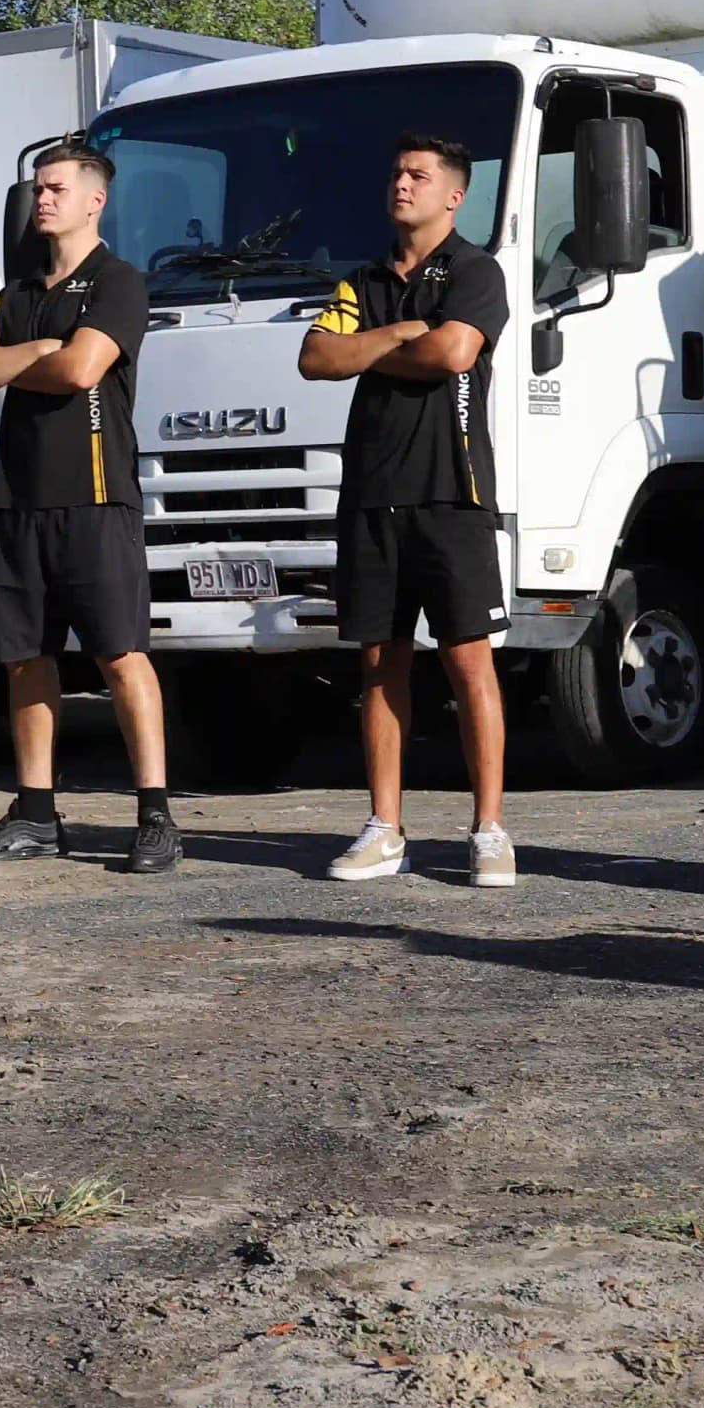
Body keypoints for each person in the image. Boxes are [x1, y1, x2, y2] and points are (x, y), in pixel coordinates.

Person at [0, 140, 175, 873]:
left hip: (96, 499)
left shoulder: (119, 282)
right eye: (37, 189)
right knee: (25, 660)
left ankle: (155, 816)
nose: (41, 200)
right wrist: (37, 350)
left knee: (121, 656)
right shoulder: (16, 295)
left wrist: (32, 360)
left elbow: (82, 368)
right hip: (19, 503)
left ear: (93, 201)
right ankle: (36, 815)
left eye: (55, 189)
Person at [300, 134, 516, 886]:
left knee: (468, 661)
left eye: (418, 175)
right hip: (371, 495)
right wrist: (396, 332)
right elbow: (315, 358)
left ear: (454, 196)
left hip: (452, 492)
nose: (402, 183)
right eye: (396, 172)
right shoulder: (362, 280)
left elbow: (454, 352)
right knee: (378, 664)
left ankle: (489, 829)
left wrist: (366, 349)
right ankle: (384, 829)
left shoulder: (476, 270)